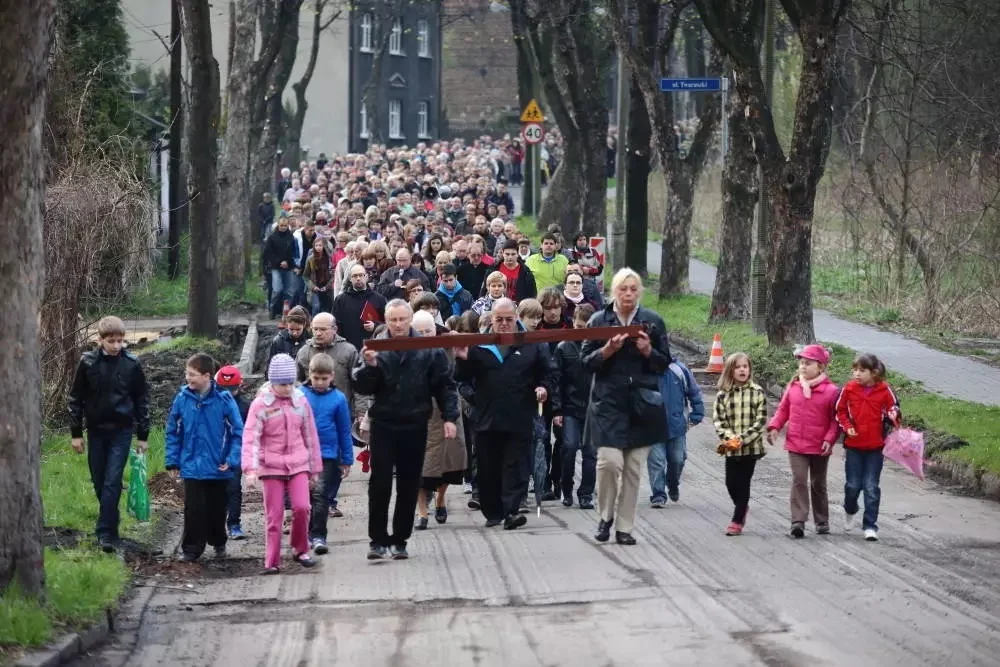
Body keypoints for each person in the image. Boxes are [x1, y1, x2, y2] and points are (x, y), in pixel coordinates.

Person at [352, 299, 460, 561]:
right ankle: (377, 540)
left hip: (415, 423)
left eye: (402, 319)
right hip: (384, 424)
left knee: (409, 483)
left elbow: (445, 385)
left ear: (410, 319)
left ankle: (400, 540)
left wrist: (449, 418)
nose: (398, 324)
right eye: (393, 320)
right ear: (386, 321)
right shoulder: (375, 347)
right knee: (380, 483)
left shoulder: (428, 349)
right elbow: (362, 386)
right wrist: (370, 367)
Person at [580, 268, 671, 546]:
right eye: (623, 289)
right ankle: (605, 516)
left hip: (642, 405)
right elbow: (585, 362)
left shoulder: (652, 321)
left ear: (639, 292)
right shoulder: (599, 320)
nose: (628, 294)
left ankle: (624, 527)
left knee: (632, 469)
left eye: (633, 289)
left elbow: (664, 363)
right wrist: (607, 350)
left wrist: (648, 351)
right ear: (614, 291)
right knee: (609, 462)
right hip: (608, 403)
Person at [454, 298, 554, 530]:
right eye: (499, 319)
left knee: (515, 465)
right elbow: (462, 379)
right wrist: (473, 395)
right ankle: (493, 511)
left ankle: (511, 511)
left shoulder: (531, 343)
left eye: (509, 319)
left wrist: (543, 388)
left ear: (516, 317)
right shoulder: (479, 345)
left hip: (519, 415)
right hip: (486, 417)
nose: (504, 324)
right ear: (491, 319)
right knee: (488, 466)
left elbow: (548, 373)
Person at [68, 315, 151, 553]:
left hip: (121, 431)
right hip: (96, 430)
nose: (116, 346)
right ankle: (111, 526)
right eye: (111, 341)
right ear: (100, 339)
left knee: (113, 481)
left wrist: (143, 435)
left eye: (120, 341)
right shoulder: (88, 362)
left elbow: (141, 400)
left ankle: (104, 533)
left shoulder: (131, 364)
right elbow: (76, 398)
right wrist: (76, 433)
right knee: (99, 480)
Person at [242, 354, 323, 573]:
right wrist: (250, 468)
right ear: (272, 382)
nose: (287, 388)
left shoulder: (301, 401)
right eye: (282, 384)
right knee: (274, 515)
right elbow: (251, 438)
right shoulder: (261, 405)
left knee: (302, 507)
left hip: (298, 463)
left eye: (290, 383)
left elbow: (310, 435)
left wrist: (314, 468)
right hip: (271, 466)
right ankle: (272, 561)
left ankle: (300, 549)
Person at [165, 354, 245, 562]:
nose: (188, 378)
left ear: (207, 376)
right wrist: (172, 460)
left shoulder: (224, 400)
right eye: (187, 373)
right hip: (191, 464)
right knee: (193, 508)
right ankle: (191, 550)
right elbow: (173, 431)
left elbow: (237, 432)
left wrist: (232, 459)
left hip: (218, 465)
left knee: (217, 509)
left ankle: (218, 541)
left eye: (192, 374)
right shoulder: (182, 399)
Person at [766, 344, 839, 538]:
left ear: (820, 367)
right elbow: (783, 410)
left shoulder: (831, 391)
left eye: (808, 363)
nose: (803, 367)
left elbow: (836, 420)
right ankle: (798, 521)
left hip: (820, 445)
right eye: (801, 363)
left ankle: (822, 520)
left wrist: (830, 439)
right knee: (799, 480)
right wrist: (774, 427)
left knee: (818, 483)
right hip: (796, 443)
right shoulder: (794, 387)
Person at [835, 353, 901, 542]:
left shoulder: (884, 390)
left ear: (874, 373)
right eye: (855, 370)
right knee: (853, 485)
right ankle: (850, 509)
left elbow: (894, 408)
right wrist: (847, 426)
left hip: (875, 447)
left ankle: (870, 526)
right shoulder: (849, 389)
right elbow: (839, 410)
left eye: (862, 370)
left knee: (871, 487)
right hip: (854, 446)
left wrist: (893, 414)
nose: (857, 374)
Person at [411, 311, 468, 531]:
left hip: (447, 409)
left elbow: (458, 376)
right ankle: (421, 511)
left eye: (428, 331)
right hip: (418, 411)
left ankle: (441, 498)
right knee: (418, 464)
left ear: (435, 330)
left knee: (451, 461)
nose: (425, 335)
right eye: (420, 332)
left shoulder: (447, 346)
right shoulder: (405, 349)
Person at [301, 354, 354, 555]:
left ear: (332, 376)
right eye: (316, 378)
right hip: (301, 454)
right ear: (309, 374)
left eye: (324, 378)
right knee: (303, 498)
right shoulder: (300, 395)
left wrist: (346, 459)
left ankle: (318, 536)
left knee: (320, 495)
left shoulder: (338, 399)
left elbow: (344, 430)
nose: (320, 382)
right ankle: (304, 533)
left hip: (326, 454)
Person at [713, 352, 769, 536]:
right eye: (738, 367)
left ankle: (737, 521)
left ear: (750, 369)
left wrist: (742, 439)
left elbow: (760, 421)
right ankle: (742, 506)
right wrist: (730, 439)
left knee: (744, 483)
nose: (742, 370)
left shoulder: (757, 392)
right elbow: (719, 421)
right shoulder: (723, 395)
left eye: (745, 366)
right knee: (731, 483)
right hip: (731, 448)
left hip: (750, 448)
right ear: (730, 371)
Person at [553, 303, 596, 509]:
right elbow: (556, 381)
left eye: (586, 328)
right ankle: (567, 488)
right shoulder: (564, 347)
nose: (582, 332)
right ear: (573, 323)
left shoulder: (599, 348)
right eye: (579, 327)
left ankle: (586, 493)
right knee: (569, 447)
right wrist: (557, 409)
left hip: (593, 408)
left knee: (590, 453)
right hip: (570, 406)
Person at [648, 358, 704, 507]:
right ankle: (658, 495)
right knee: (656, 462)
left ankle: (672, 483)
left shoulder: (679, 370)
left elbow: (694, 392)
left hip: (676, 426)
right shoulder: (642, 369)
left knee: (678, 459)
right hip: (651, 427)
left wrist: (697, 414)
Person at [215, 365, 252, 540]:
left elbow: (249, 432)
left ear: (240, 385)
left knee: (234, 489)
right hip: (214, 454)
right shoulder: (211, 404)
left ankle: (234, 524)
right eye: (224, 389)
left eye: (232, 389)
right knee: (216, 492)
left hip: (236, 453)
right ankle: (216, 526)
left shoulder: (245, 407)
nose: (228, 393)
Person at [332, 262, 387, 351]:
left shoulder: (379, 299)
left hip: (373, 348)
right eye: (355, 276)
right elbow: (335, 325)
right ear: (350, 279)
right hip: (348, 348)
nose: (358, 278)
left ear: (366, 277)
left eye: (361, 275)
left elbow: (387, 324)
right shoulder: (340, 300)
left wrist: (375, 326)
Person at [263, 216, 298, 318]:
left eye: (285, 226)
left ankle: (286, 311)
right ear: (278, 225)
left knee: (289, 291)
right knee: (277, 289)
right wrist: (279, 262)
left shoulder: (291, 237)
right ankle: (272, 308)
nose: (283, 227)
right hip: (276, 267)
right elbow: (269, 253)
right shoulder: (272, 238)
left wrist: (289, 262)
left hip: (288, 266)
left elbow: (294, 253)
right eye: (281, 225)